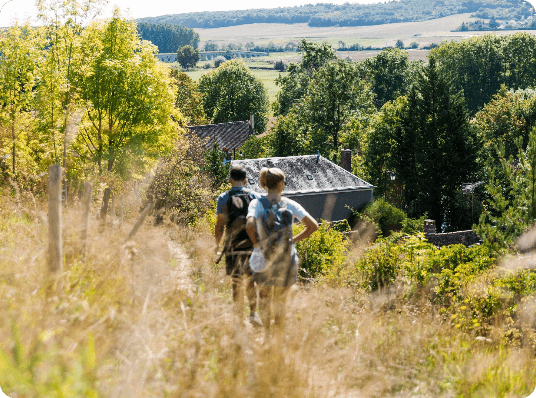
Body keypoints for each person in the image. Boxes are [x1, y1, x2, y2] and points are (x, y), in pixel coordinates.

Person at [245, 167, 318, 340]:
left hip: (263, 260)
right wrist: (294, 241)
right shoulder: (290, 204)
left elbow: (249, 225)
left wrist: (256, 243)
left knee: (264, 298)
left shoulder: (256, 203)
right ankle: (278, 339)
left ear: (264, 184)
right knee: (280, 302)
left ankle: (267, 335)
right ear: (279, 185)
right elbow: (313, 226)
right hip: (287, 260)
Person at [215, 165, 262, 326]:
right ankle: (253, 314)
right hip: (251, 245)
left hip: (232, 245)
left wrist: (216, 246)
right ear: (245, 180)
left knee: (236, 281)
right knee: (251, 281)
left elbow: (219, 225)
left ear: (230, 180)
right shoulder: (255, 196)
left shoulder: (223, 198)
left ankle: (238, 317)